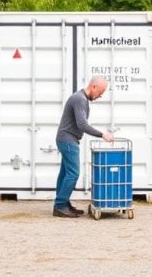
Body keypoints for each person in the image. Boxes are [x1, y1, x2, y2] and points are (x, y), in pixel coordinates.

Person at [53, 76, 114, 218]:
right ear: (93, 87)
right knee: (73, 173)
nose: (101, 95)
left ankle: (62, 203)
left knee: (65, 173)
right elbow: (82, 124)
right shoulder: (80, 99)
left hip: (66, 139)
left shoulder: (81, 98)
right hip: (68, 140)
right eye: (100, 91)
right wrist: (102, 134)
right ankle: (60, 205)